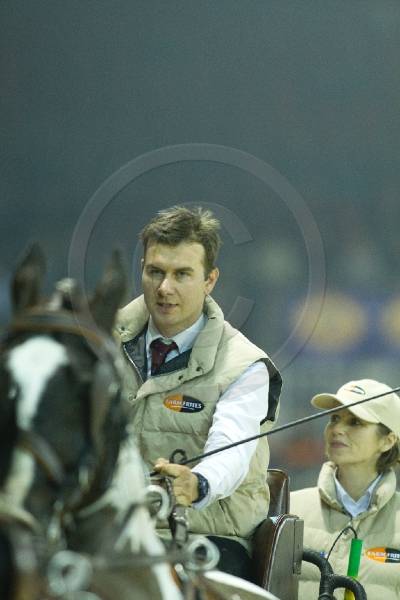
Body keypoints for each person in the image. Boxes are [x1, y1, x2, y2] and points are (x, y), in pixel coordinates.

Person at [115, 205, 282, 579]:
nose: (164, 288)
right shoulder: (102, 342)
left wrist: (199, 483)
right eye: (155, 272)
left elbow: (231, 449)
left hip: (208, 537)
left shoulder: (245, 365)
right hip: (110, 532)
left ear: (210, 280)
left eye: (182, 274)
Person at [290, 379, 400, 600]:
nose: (337, 429)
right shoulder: (290, 509)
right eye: (334, 418)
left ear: (387, 441)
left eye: (355, 422)